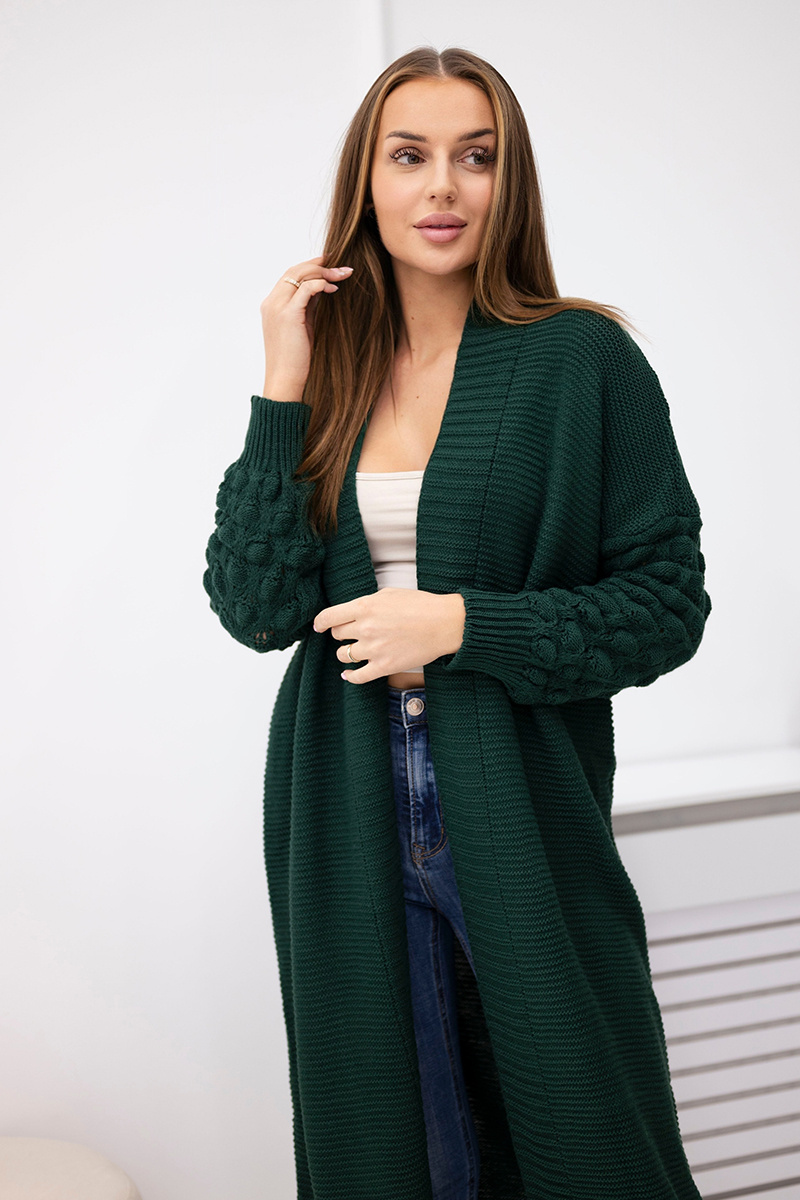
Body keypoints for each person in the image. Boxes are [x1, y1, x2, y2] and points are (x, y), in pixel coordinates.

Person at [203, 45, 712, 1200]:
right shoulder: (327, 372)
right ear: (366, 181)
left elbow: (664, 605)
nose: (442, 186)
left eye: (474, 157)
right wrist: (279, 387)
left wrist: (460, 627)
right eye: (409, 156)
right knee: (406, 1155)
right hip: (344, 808)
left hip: (518, 798)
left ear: (506, 180)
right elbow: (255, 608)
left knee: (588, 1134)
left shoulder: (581, 358)